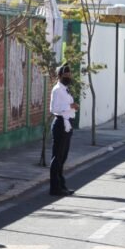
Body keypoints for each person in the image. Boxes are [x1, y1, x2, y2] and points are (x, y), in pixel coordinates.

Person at [49, 64, 79, 197]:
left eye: (69, 74)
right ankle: (54, 188)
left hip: (67, 124)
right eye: (65, 74)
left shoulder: (65, 89)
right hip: (61, 124)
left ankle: (61, 185)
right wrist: (70, 106)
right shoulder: (57, 90)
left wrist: (73, 107)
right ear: (59, 76)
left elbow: (67, 106)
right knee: (57, 157)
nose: (68, 76)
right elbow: (54, 108)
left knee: (63, 157)